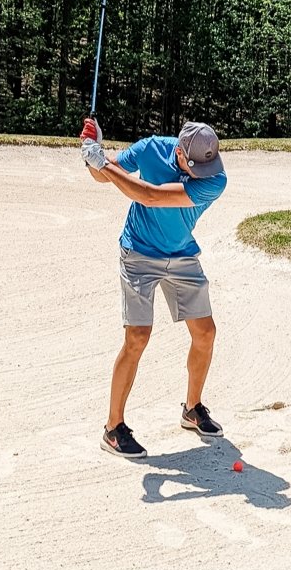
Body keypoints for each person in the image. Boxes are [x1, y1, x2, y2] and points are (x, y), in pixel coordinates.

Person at [80, 117, 228, 459]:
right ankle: (113, 428)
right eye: (193, 168)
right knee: (138, 337)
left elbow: (150, 196)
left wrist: (102, 161)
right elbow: (103, 175)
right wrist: (92, 154)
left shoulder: (214, 179)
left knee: (205, 333)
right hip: (139, 252)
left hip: (181, 253)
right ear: (178, 152)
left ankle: (192, 409)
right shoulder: (150, 149)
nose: (199, 175)